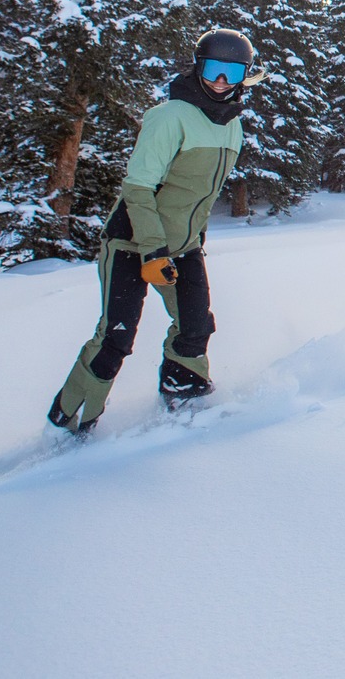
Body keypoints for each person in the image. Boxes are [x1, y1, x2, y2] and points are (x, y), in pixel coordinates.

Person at [48, 28, 264, 433]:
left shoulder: (232, 125)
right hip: (132, 242)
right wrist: (152, 250)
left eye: (232, 72)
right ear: (198, 67)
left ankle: (184, 398)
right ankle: (68, 424)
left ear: (245, 76)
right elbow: (138, 187)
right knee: (116, 338)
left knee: (195, 325)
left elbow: (200, 193)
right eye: (213, 70)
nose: (221, 81)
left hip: (182, 245)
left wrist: (193, 239)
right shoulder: (170, 116)